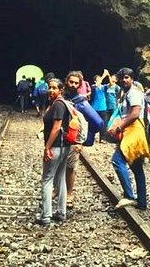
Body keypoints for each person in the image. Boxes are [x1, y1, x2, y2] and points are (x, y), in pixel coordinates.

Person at [109, 67, 147, 211]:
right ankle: (142, 202)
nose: (124, 80)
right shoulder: (126, 93)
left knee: (117, 160)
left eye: (127, 77)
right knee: (137, 167)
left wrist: (119, 127)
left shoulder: (134, 94)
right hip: (130, 130)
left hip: (134, 130)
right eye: (122, 77)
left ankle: (129, 196)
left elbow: (135, 114)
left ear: (132, 79)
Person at [38, 78, 71, 225]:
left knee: (47, 180)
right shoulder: (58, 103)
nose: (51, 90)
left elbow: (56, 128)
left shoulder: (58, 105)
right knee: (60, 178)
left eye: (54, 88)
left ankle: (46, 215)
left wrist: (47, 147)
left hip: (56, 146)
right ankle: (61, 212)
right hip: (64, 146)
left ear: (60, 90)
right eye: (49, 88)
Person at [63, 71, 84, 208]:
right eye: (71, 82)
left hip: (73, 138)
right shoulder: (60, 95)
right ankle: (58, 189)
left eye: (76, 83)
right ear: (66, 81)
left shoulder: (81, 101)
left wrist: (80, 141)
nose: (73, 85)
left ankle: (69, 194)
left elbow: (84, 123)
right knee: (58, 165)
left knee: (70, 167)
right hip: (59, 136)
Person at [90, 70, 109, 142]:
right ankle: (91, 137)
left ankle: (103, 138)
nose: (100, 79)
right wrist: (104, 75)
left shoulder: (104, 87)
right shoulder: (93, 86)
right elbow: (97, 85)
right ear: (95, 81)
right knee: (93, 123)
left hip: (103, 107)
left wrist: (108, 75)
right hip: (95, 108)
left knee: (104, 124)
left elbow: (111, 83)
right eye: (98, 78)